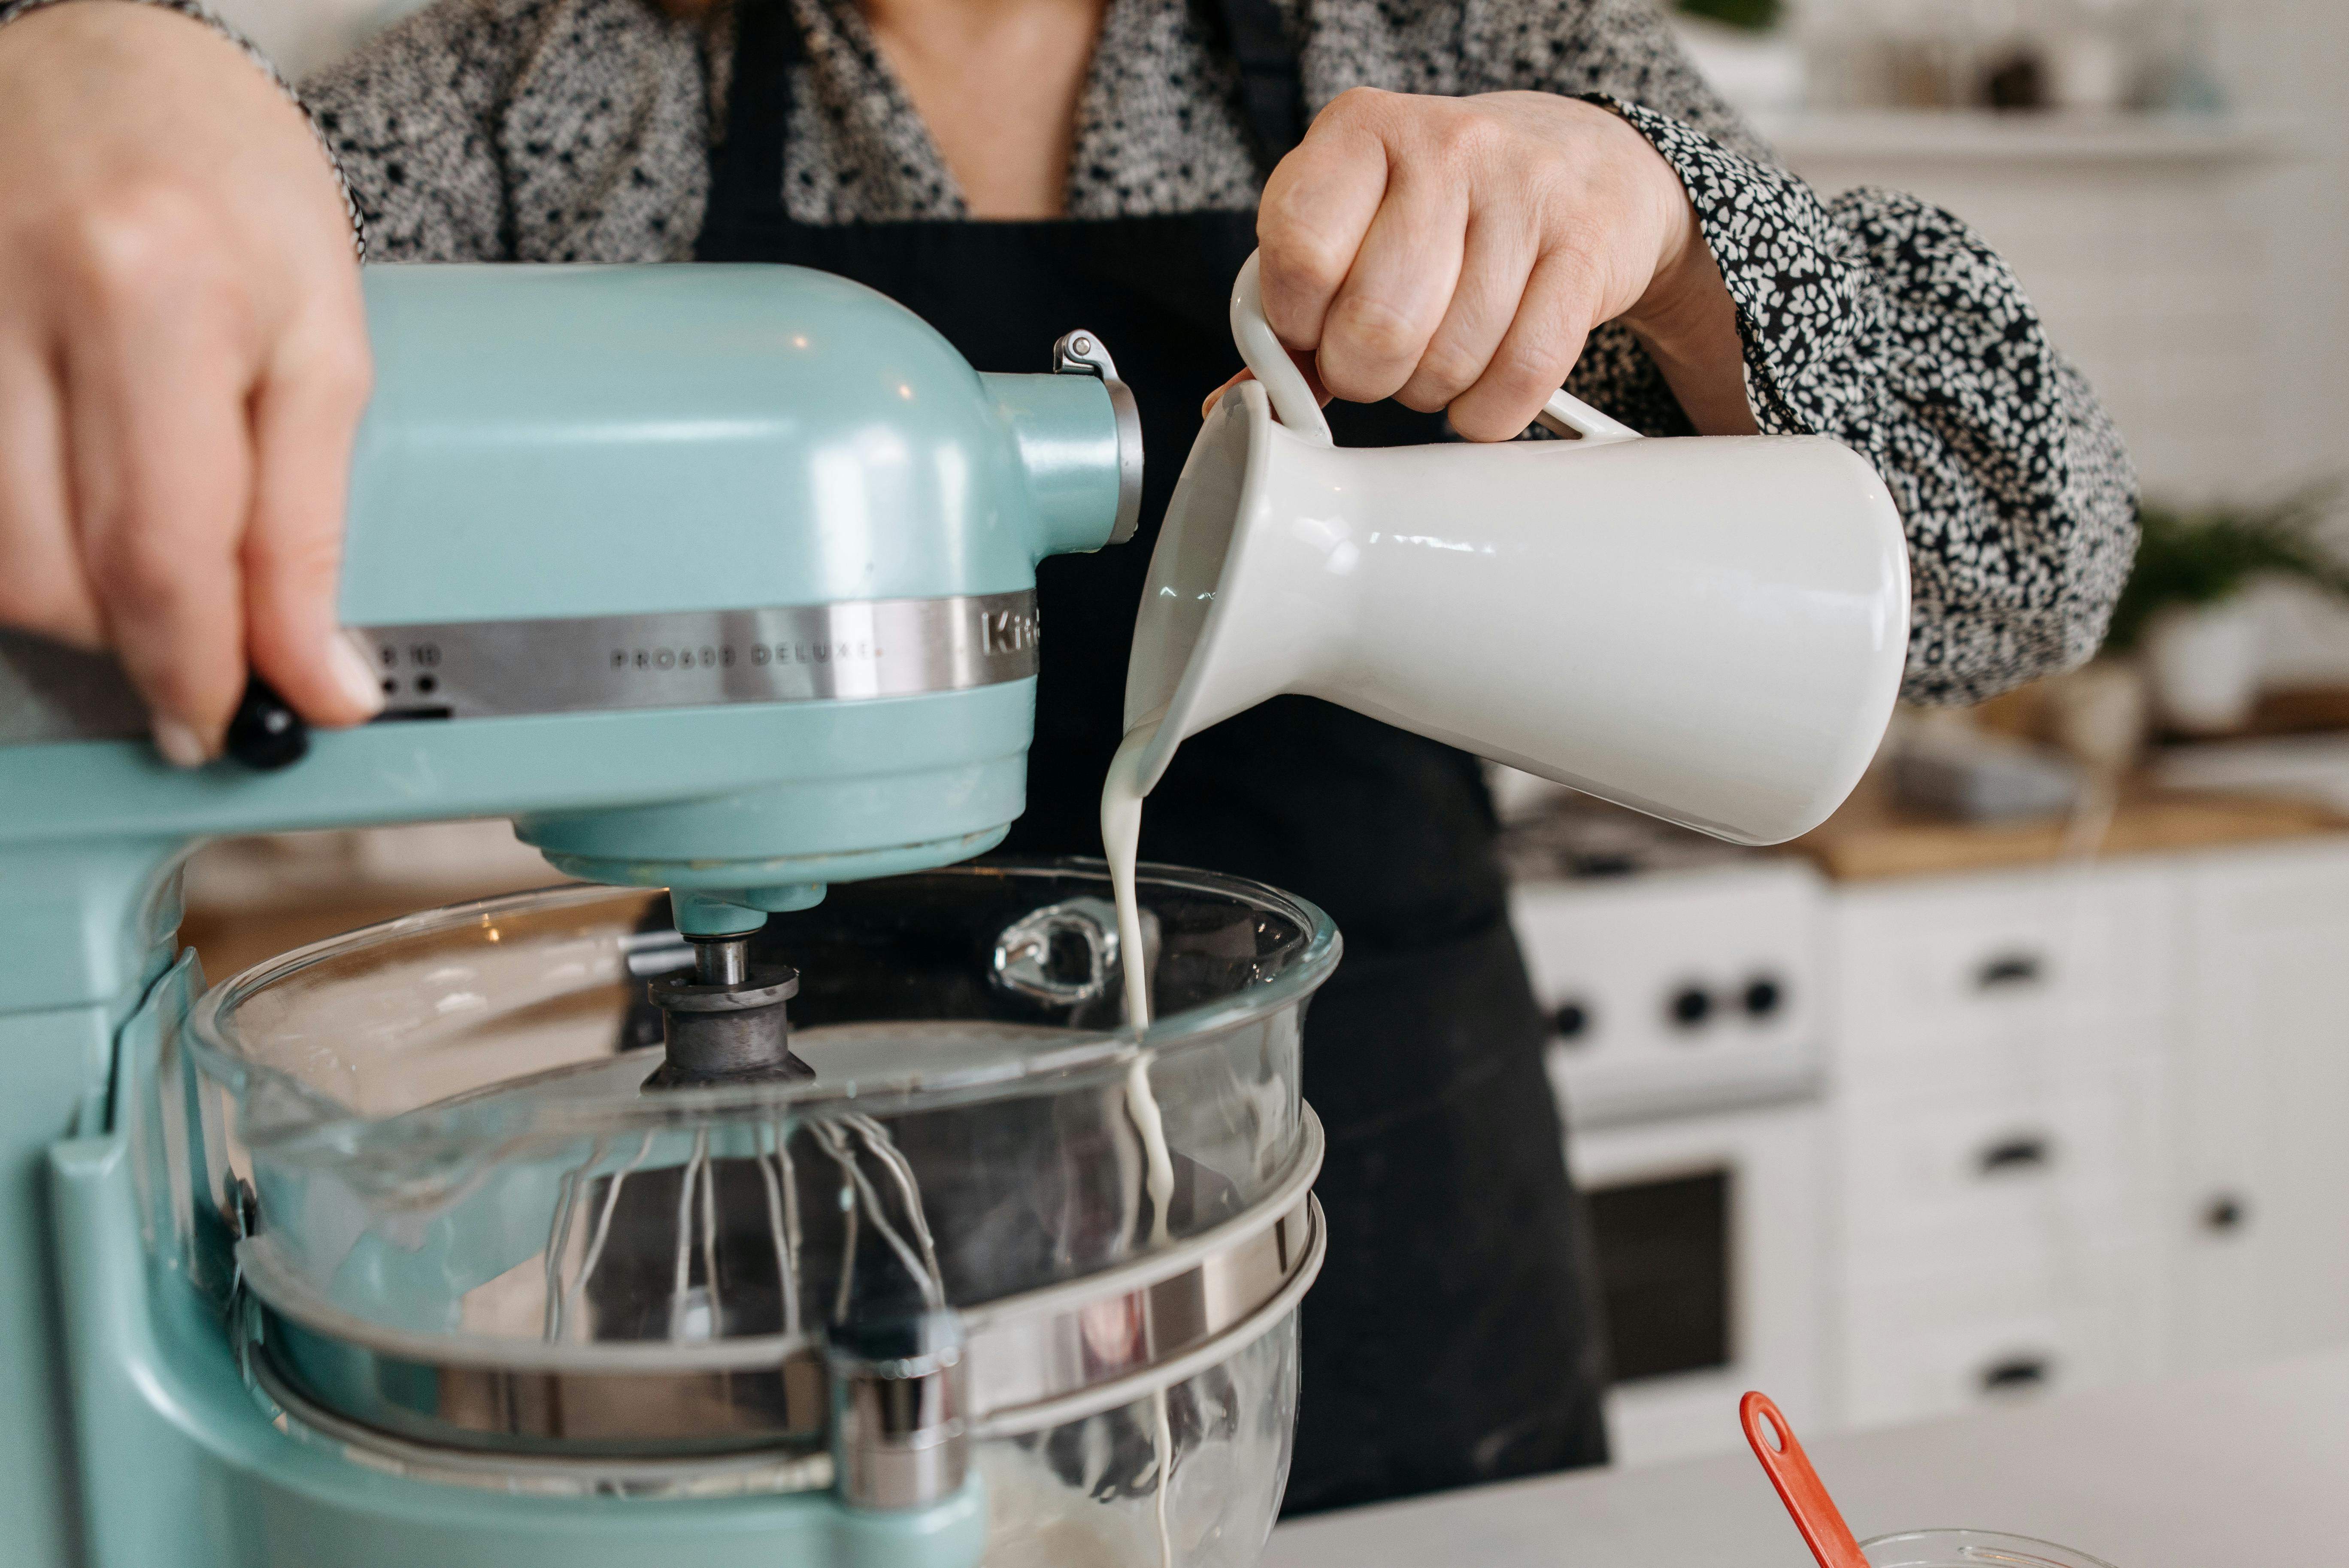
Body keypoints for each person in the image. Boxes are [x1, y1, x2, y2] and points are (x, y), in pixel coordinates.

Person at [0, 0, 2134, 1513]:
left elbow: (2032, 555)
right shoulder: (557, 97)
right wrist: (107, 57)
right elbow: (134, 330)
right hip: (789, 1230)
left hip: (1381, 1210)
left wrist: (1661, 244)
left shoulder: (1475, 38)